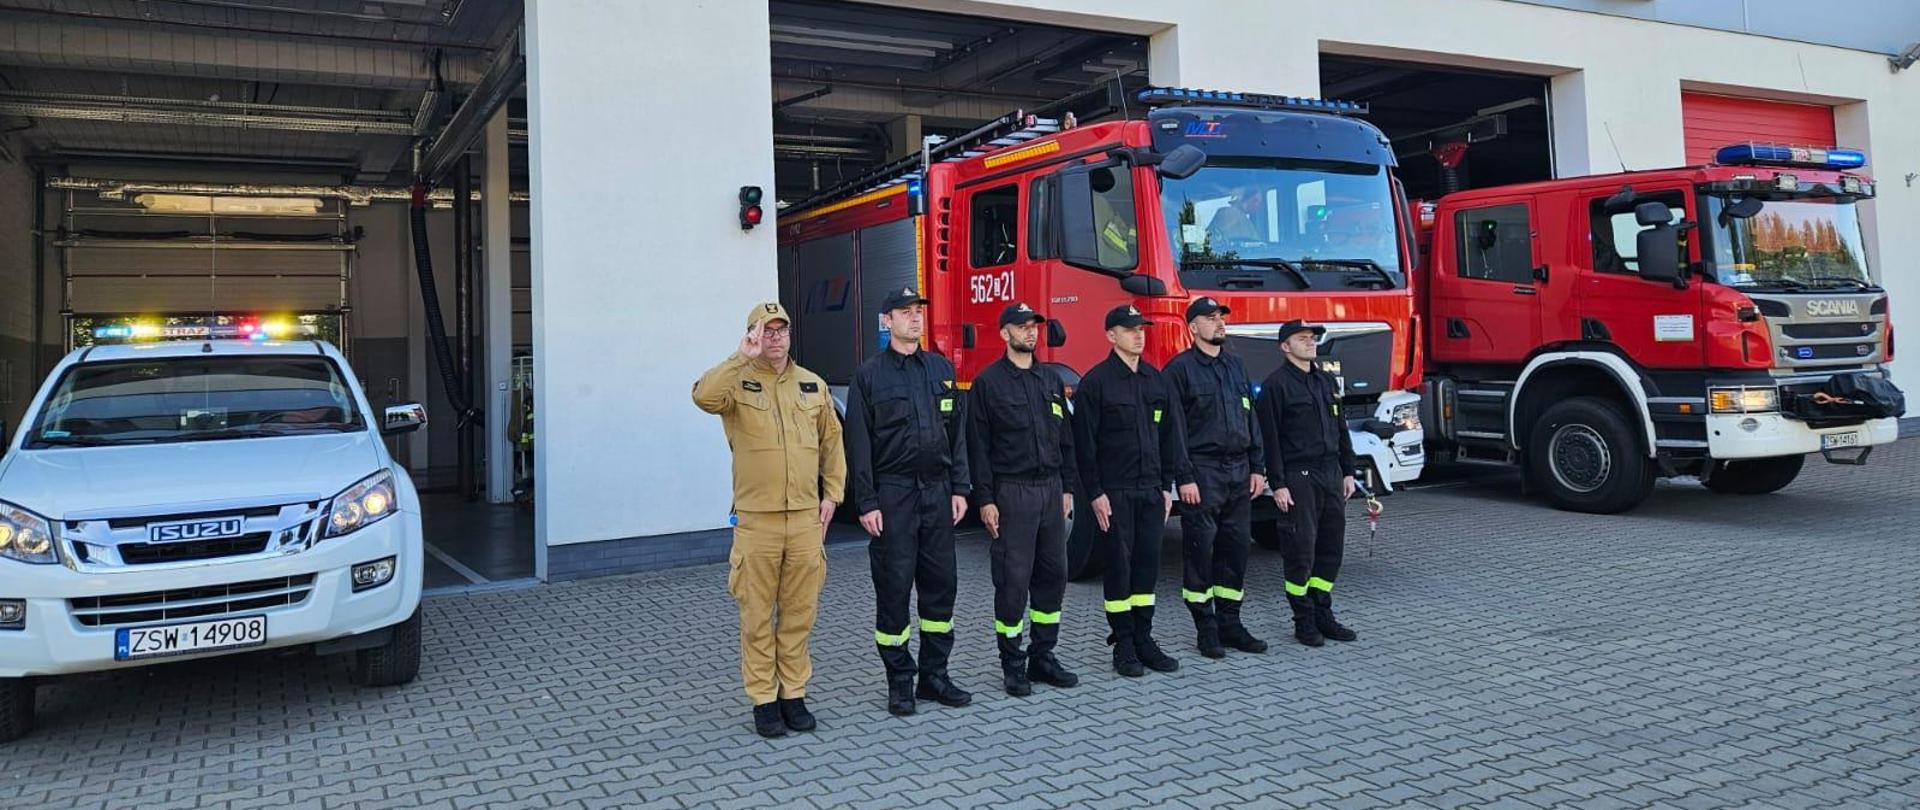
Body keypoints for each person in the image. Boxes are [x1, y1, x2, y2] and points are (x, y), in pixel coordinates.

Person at [692, 301, 846, 738]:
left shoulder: (812, 386)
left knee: (800, 613)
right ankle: (763, 699)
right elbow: (703, 396)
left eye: (781, 330)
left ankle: (793, 695)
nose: (775, 338)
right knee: (757, 616)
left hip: (803, 521)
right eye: (766, 331)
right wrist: (740, 355)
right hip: (756, 521)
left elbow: (833, 446)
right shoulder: (736, 383)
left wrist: (833, 494)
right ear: (753, 335)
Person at [844, 287, 972, 717]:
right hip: (894, 496)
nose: (914, 319)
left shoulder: (939, 369)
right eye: (904, 312)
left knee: (941, 590)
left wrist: (960, 488)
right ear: (887, 321)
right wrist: (866, 502)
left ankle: (935, 676)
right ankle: (900, 681)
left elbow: (958, 435)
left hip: (937, 494)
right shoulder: (869, 377)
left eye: (918, 312)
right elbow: (859, 445)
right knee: (895, 590)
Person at [966, 302, 1081, 697]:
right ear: (1004, 334)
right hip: (1011, 492)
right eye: (1021, 327)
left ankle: (1043, 655)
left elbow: (1066, 438)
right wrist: (985, 499)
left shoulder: (1050, 379)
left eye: (1033, 326)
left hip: (1050, 491)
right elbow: (978, 448)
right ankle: (1012, 664)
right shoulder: (988, 384)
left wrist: (1068, 488)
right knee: (1014, 582)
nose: (1030, 332)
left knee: (1053, 577)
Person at [1073, 304, 1190, 677]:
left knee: (1146, 568)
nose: (1138, 335)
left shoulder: (1156, 381)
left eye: (1141, 329)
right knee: (1119, 569)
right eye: (1129, 329)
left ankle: (1144, 638)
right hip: (1115, 492)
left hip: (1151, 491)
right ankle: (1122, 644)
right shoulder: (1096, 383)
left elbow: (1170, 436)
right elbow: (1084, 446)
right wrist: (1094, 493)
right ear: (1111, 335)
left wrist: (1167, 486)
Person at [1164, 297, 1269, 659]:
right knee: (1200, 552)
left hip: (1239, 471)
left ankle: (1231, 623)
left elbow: (1250, 418)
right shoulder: (1179, 371)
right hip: (1203, 472)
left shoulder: (1236, 367)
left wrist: (1259, 467)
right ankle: (1205, 628)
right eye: (1210, 318)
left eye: (1221, 317)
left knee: (1236, 550)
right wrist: (1184, 478)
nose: (1219, 323)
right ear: (1193, 328)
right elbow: (1174, 431)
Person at [1253, 319, 1361, 648]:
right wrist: (1278, 483)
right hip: (1298, 477)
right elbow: (1268, 439)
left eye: (1312, 338)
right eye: (1302, 339)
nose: (1310, 343)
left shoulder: (1325, 381)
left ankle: (1323, 614)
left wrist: (1348, 470)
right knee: (1301, 550)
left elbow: (1340, 428)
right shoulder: (1276, 386)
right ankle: (1303, 620)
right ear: (1285, 346)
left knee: (1330, 549)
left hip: (1330, 473)